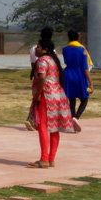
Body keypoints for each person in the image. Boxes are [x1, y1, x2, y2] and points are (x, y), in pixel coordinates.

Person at [28, 40, 77, 168]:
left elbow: (42, 77)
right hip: (59, 95)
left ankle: (44, 159)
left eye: (38, 47)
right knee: (54, 128)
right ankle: (51, 159)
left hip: (47, 95)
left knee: (43, 127)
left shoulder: (42, 60)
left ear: (44, 49)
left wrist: (38, 94)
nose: (35, 50)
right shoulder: (53, 60)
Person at [62, 29, 93, 119]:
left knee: (71, 98)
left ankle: (72, 117)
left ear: (68, 37)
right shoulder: (82, 50)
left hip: (68, 74)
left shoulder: (65, 49)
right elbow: (85, 67)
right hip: (79, 74)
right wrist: (91, 82)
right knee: (84, 98)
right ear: (78, 38)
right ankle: (76, 117)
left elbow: (66, 61)